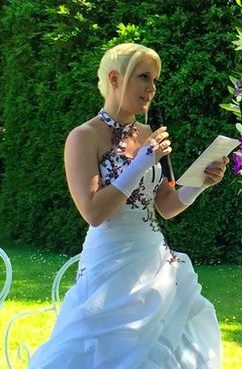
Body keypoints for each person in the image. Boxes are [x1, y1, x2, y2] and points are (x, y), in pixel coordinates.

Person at [30, 43, 227, 368]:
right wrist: (139, 164)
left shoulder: (149, 133)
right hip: (111, 268)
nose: (152, 89)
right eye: (144, 77)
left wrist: (199, 184)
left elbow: (164, 205)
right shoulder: (83, 137)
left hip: (158, 264)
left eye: (155, 80)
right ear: (115, 78)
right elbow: (93, 212)